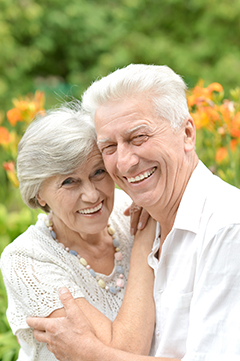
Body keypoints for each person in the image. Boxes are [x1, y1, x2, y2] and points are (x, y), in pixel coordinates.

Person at [27, 64, 240, 361]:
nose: (125, 163)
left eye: (138, 137)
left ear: (187, 133)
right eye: (110, 147)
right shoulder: (144, 219)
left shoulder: (227, 227)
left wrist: (92, 354)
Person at [0, 101, 157, 361]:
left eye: (98, 172)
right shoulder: (25, 258)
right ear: (39, 194)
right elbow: (125, 352)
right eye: (69, 182)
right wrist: (143, 245)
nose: (92, 195)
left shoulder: (134, 209)